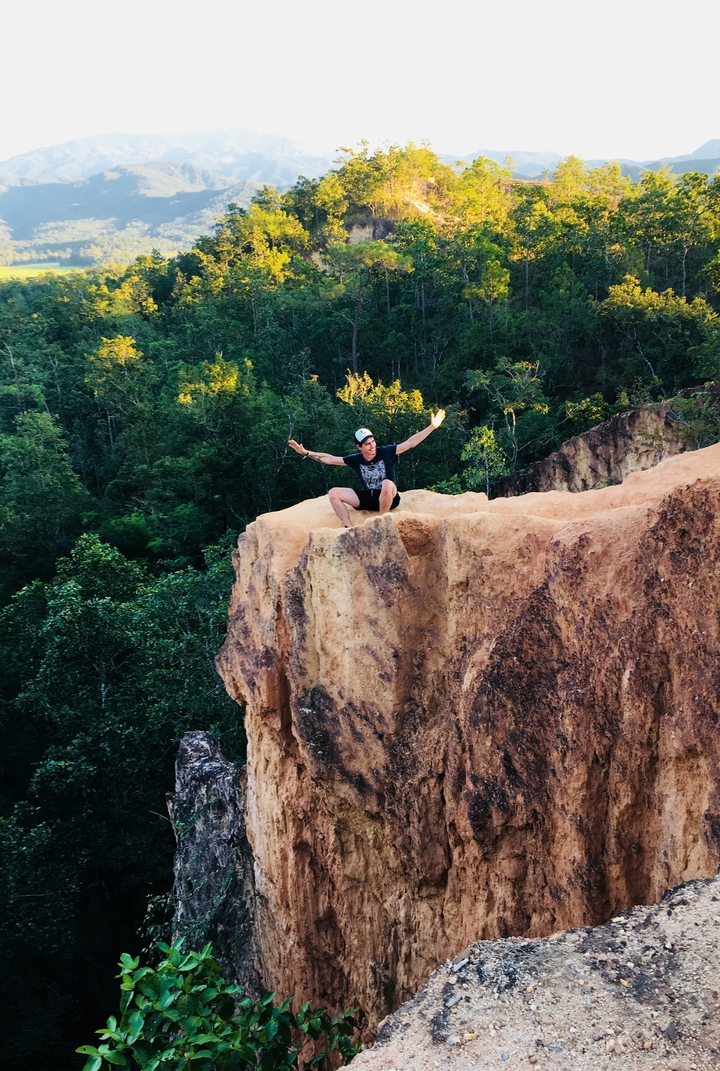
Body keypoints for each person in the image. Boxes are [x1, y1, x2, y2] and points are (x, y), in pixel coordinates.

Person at [288, 409, 446, 528]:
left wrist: (432, 427)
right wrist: (306, 452)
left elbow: (410, 443)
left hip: (388, 498)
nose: (372, 446)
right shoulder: (356, 459)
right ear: (359, 447)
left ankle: (384, 520)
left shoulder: (386, 452)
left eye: (373, 442)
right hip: (369, 498)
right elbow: (329, 459)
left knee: (387, 483)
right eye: (367, 444)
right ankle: (349, 528)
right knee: (334, 492)